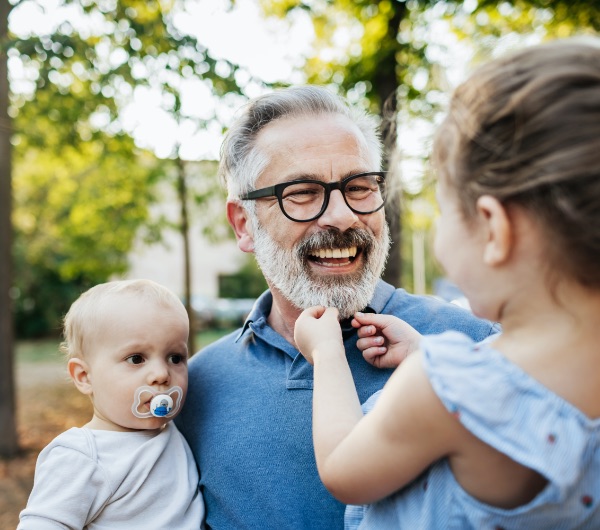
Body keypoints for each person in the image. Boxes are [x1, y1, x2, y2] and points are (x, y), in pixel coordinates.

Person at [294, 39, 600, 529]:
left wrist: (327, 355)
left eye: (442, 209)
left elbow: (342, 468)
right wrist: (421, 353)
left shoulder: (444, 387)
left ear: (493, 229)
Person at [175, 85, 499, 529]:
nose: (344, 216)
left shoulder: (478, 349)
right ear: (243, 224)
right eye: (303, 192)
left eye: (359, 186)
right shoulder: (194, 389)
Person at [18, 279, 205, 529]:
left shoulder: (175, 432)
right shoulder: (81, 456)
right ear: (85, 377)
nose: (161, 374)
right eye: (136, 358)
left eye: (175, 357)